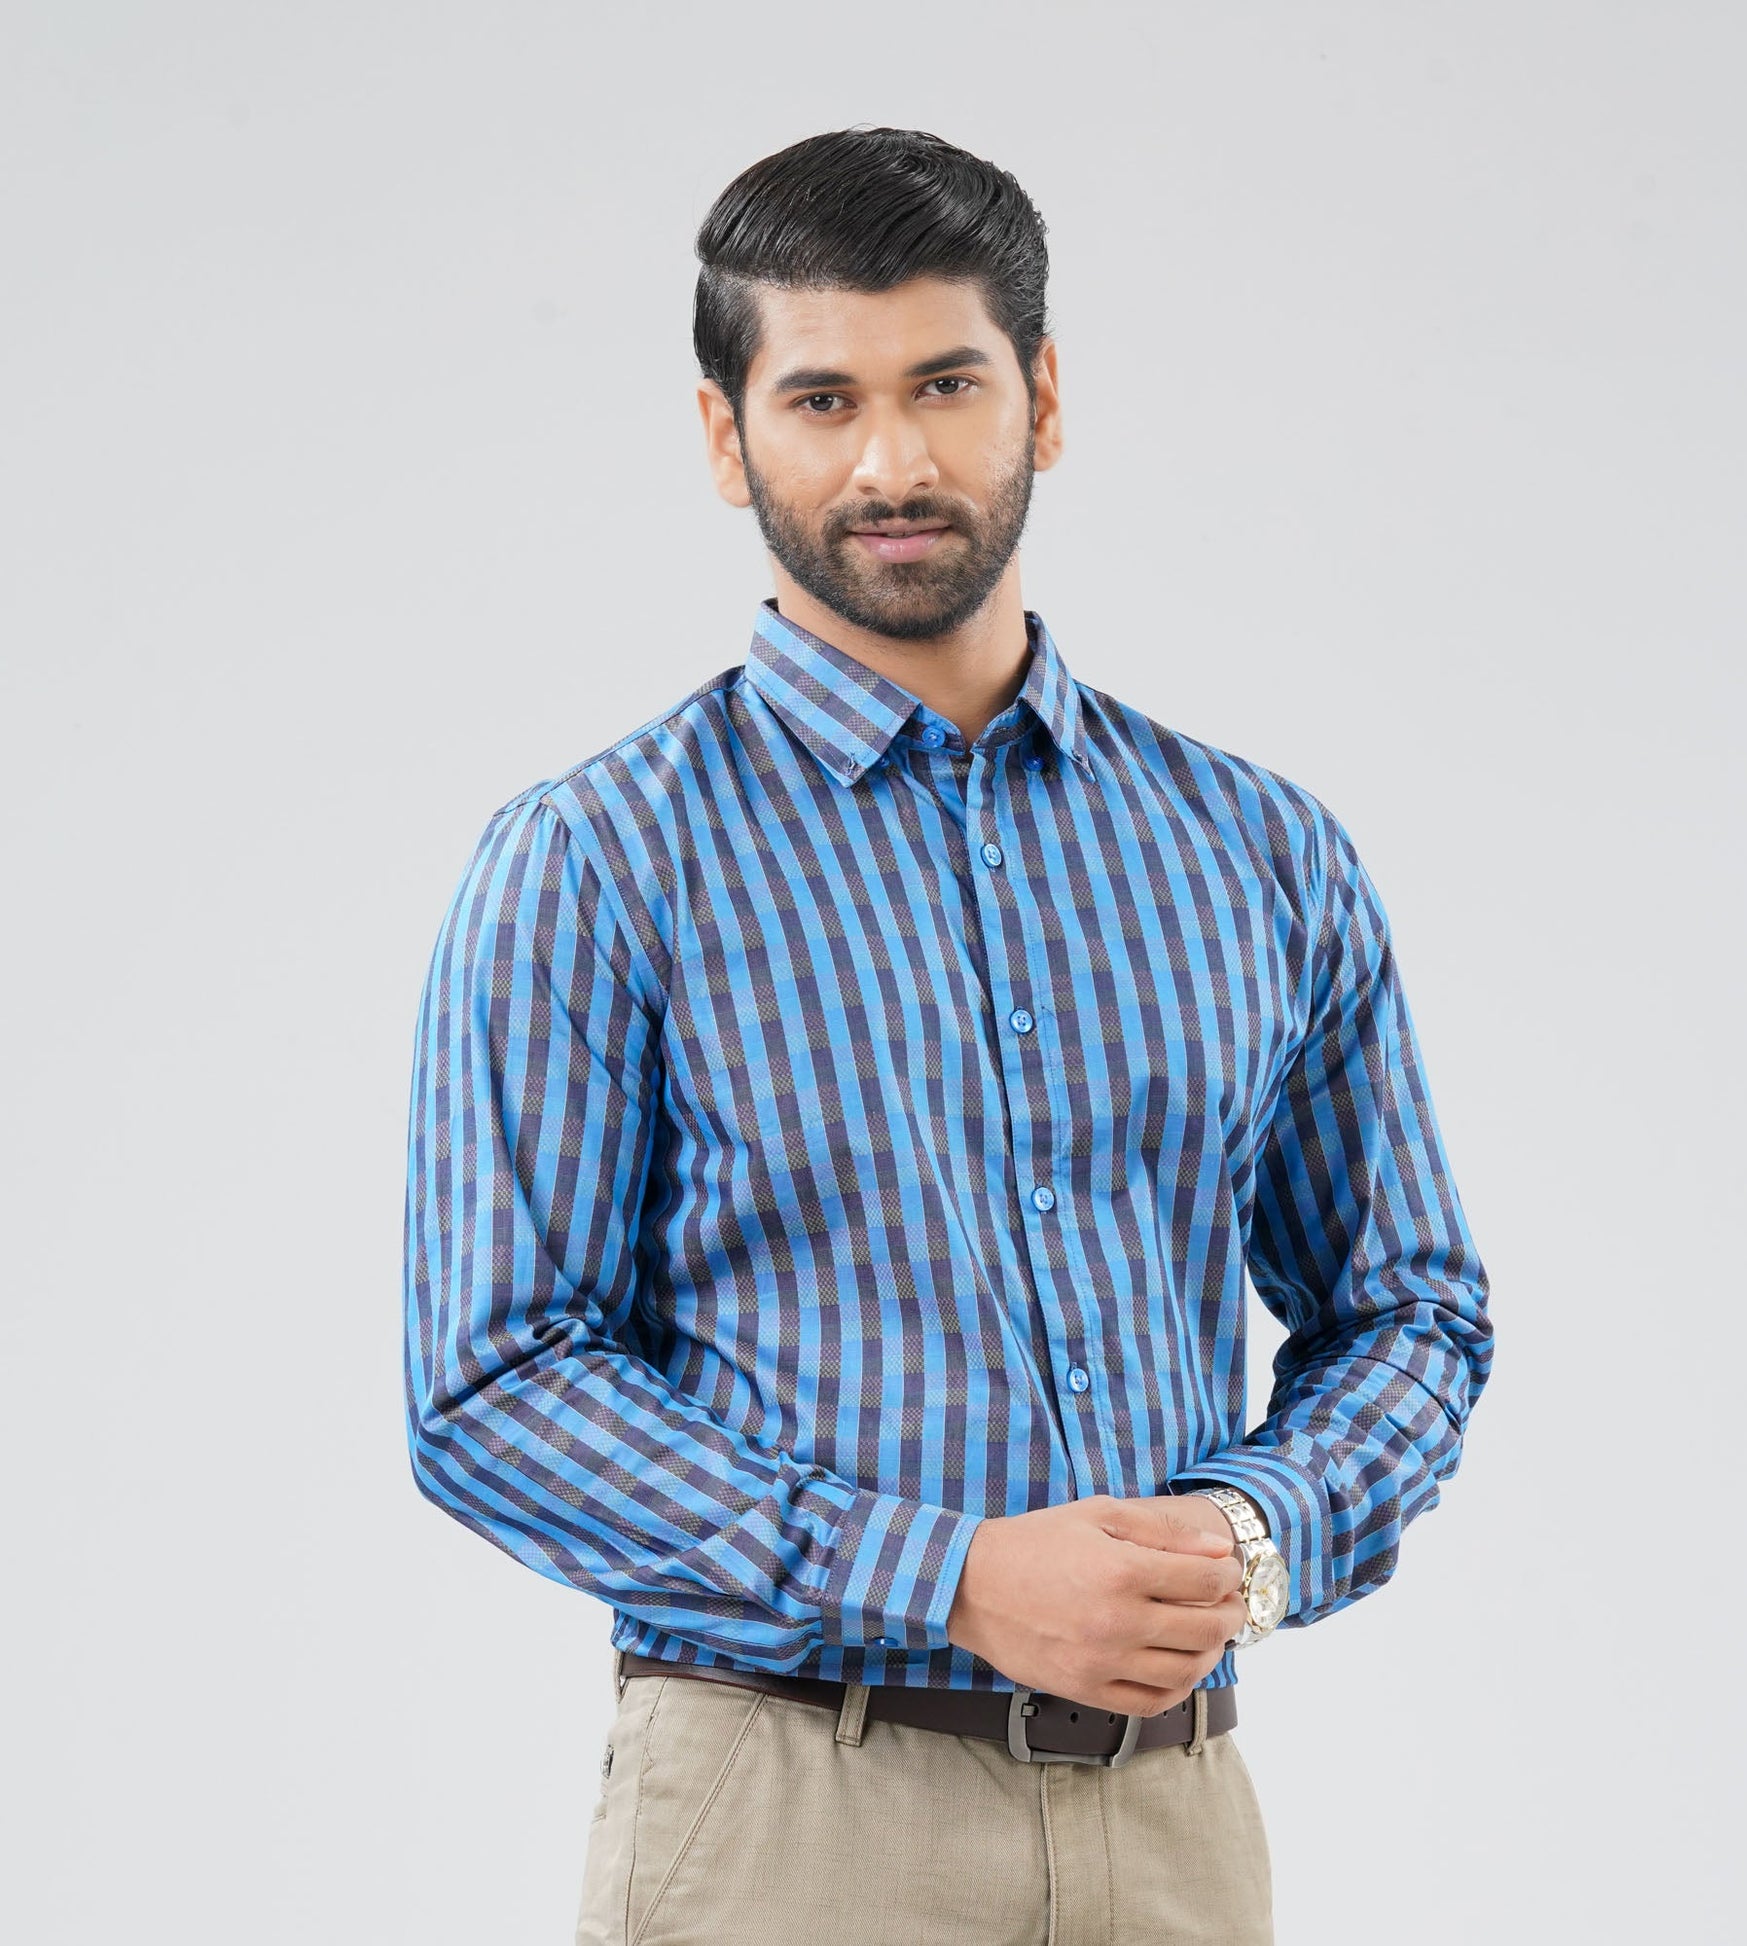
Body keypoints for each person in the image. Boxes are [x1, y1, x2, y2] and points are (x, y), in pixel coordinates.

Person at [403, 125, 1494, 1945]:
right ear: (724, 436)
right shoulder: (598, 862)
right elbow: (495, 1384)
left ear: (1041, 399)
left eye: (945, 385)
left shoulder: (1256, 852)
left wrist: (1251, 1529)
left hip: (1174, 1815)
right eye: (821, 398)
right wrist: (950, 1575)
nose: (892, 462)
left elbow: (1409, 1307)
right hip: (787, 1813)